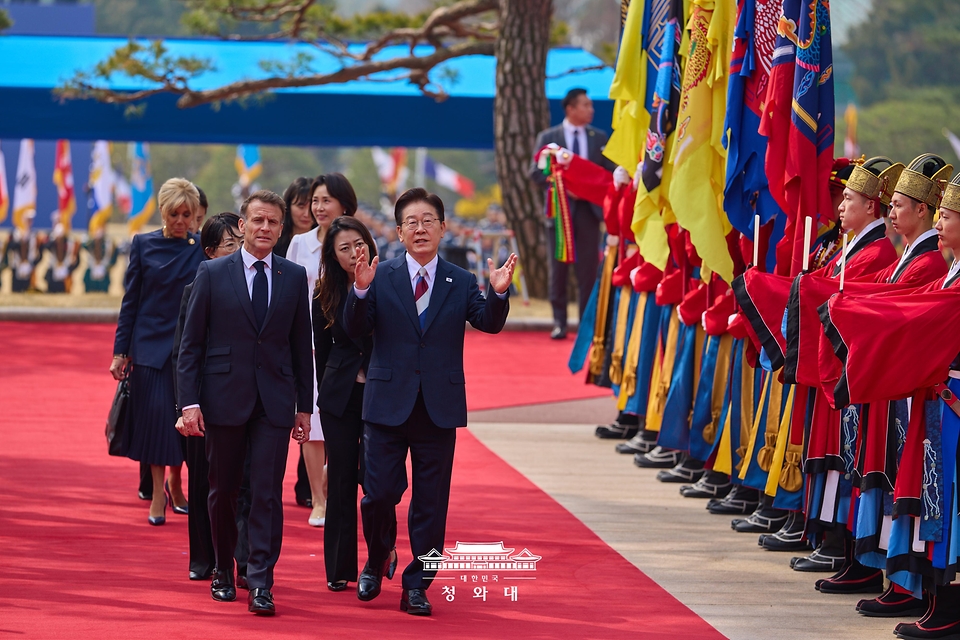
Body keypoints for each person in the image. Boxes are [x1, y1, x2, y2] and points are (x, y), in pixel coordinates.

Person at [344, 187, 517, 616]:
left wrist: (497, 294)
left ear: (442, 227)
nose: (420, 229)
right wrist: (360, 292)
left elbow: (487, 323)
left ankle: (418, 584)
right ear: (399, 232)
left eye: (428, 221)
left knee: (431, 502)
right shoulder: (379, 275)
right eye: (411, 223)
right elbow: (354, 328)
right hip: (386, 404)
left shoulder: (460, 280)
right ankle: (378, 555)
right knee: (378, 495)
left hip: (438, 407)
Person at [178, 189, 313, 616]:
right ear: (242, 224)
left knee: (267, 494)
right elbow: (191, 345)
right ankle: (222, 569)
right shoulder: (213, 274)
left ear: (280, 228)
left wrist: (304, 407)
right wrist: (189, 403)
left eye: (273, 222)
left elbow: (300, 347)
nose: (265, 228)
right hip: (223, 399)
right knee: (222, 490)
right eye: (257, 220)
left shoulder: (293, 277)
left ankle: (260, 581)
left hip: (274, 402)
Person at [110, 178, 203, 525]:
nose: (180, 221)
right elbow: (130, 300)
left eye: (187, 214)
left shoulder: (199, 247)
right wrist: (121, 351)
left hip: (187, 348)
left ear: (195, 215)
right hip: (149, 347)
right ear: (162, 213)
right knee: (155, 423)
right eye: (174, 214)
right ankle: (157, 494)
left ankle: (177, 484)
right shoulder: (143, 244)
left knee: (180, 422)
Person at [314, 215, 397, 592]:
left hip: (381, 392)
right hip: (340, 396)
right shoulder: (324, 292)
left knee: (378, 481)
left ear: (370, 243)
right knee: (343, 480)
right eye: (343, 249)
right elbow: (320, 354)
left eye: (358, 244)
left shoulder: (390, 282)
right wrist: (318, 398)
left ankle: (382, 552)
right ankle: (339, 568)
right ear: (333, 255)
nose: (353, 253)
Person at [171, 212, 245, 582]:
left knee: (244, 485)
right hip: (204, 406)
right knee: (204, 483)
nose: (239, 252)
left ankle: (242, 561)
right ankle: (204, 558)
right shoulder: (196, 289)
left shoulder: (260, 287)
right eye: (231, 245)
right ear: (211, 252)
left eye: (241, 243)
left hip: (246, 404)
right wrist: (187, 405)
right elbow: (184, 352)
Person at [287, 173, 359, 527]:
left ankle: (337, 482)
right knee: (310, 422)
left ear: (345, 204)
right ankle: (318, 499)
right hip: (307, 345)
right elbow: (289, 296)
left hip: (347, 349)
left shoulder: (357, 242)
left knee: (345, 423)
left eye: (326, 200)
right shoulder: (300, 244)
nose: (318, 207)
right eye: (315, 200)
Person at [529, 87, 617, 339]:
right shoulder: (549, 138)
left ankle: (585, 324)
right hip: (559, 214)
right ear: (570, 109)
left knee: (587, 270)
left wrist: (589, 188)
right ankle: (559, 322)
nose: (591, 110)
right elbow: (534, 173)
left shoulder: (599, 138)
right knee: (558, 269)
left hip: (589, 214)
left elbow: (608, 173)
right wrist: (559, 183)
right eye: (586, 105)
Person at [275, 177, 314, 258]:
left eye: (311, 206)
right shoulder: (274, 241)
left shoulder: (326, 244)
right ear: (288, 206)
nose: (306, 214)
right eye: (301, 206)